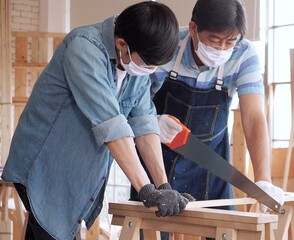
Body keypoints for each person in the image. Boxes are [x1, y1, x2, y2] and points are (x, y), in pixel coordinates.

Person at [1, 2, 194, 240]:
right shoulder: (84, 48)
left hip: (75, 170)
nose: (149, 71)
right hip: (44, 166)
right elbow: (111, 124)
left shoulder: (136, 67)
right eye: (147, 65)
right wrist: (146, 190)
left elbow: (144, 123)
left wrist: (163, 186)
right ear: (122, 44)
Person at [130, 0, 284, 215]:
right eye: (214, 39)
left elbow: (254, 117)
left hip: (212, 164)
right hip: (157, 157)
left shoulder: (244, 54)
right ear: (193, 28)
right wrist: (150, 122)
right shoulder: (167, 46)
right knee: (152, 230)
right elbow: (131, 101)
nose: (221, 48)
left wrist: (263, 180)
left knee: (224, 228)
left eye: (230, 42)